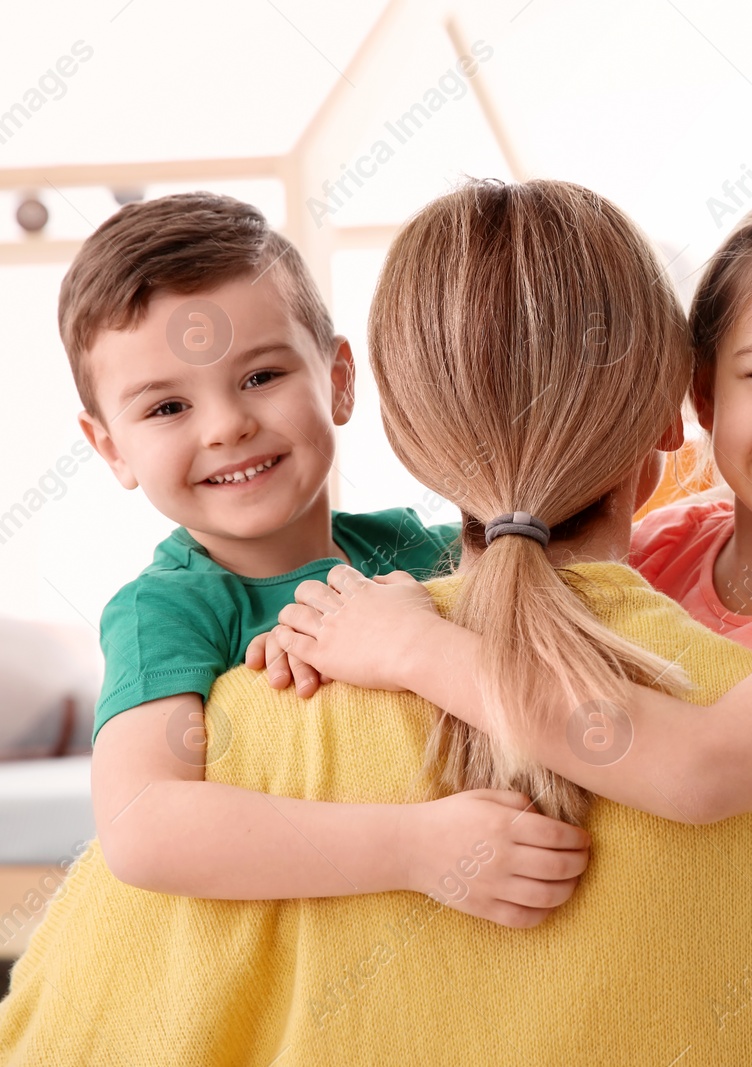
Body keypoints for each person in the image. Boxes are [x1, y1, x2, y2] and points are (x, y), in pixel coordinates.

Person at [0, 179, 752, 1064]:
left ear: (355, 385)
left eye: (260, 374)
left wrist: (419, 650)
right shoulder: (181, 617)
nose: (228, 425)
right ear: (685, 411)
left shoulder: (410, 586)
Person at [268, 185, 752, 829]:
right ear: (702, 396)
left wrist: (414, 649)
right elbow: (517, 595)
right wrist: (319, 632)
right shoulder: (663, 544)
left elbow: (704, 771)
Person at [60, 192, 590, 927]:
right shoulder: (169, 608)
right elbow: (144, 826)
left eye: (259, 377)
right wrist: (415, 848)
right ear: (112, 446)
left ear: (338, 379)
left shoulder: (414, 545)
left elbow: (550, 594)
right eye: (167, 408)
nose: (227, 426)